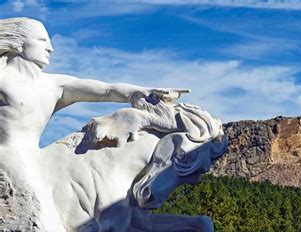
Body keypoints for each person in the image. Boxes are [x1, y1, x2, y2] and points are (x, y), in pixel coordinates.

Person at [0, 17, 188, 150]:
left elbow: (106, 90)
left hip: (33, 158)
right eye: (42, 41)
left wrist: (142, 91)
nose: (51, 48)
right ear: (18, 44)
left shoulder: (56, 85)